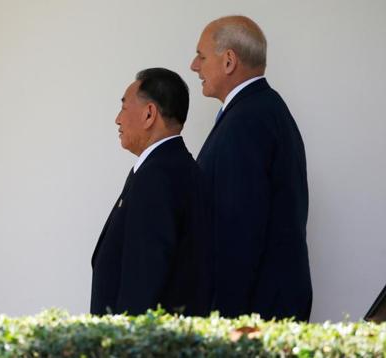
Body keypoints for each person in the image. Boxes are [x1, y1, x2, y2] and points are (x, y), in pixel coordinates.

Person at [190, 16, 312, 321]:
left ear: (229, 61)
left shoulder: (246, 121)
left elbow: (237, 232)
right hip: (266, 309)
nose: (194, 66)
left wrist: (222, 323)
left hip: (253, 319)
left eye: (201, 56)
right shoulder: (262, 110)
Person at [90, 68, 212, 316]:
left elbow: (143, 281)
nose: (117, 119)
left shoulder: (157, 176)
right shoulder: (176, 168)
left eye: (124, 107)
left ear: (149, 114)